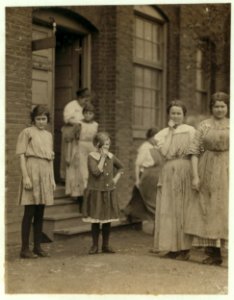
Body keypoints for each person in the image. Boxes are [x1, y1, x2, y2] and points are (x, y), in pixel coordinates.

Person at [185, 92, 229, 265]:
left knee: (225, 208)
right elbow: (194, 151)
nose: (219, 109)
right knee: (208, 208)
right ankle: (213, 253)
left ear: (227, 107)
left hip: (227, 166)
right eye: (216, 106)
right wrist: (195, 176)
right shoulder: (204, 125)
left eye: (222, 106)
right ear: (211, 107)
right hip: (207, 168)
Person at [152, 100, 195, 260]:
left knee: (182, 208)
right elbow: (165, 152)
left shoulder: (191, 131)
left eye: (179, 113)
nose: (176, 116)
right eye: (173, 113)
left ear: (184, 115)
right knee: (169, 208)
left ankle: (185, 248)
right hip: (169, 171)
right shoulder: (163, 133)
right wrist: (170, 131)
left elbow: (196, 152)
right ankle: (172, 247)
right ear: (168, 115)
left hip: (185, 169)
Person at [16, 105, 56, 259]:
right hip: (32, 171)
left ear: (47, 120)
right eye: (38, 119)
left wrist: (52, 179)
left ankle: (38, 246)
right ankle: (25, 249)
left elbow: (50, 158)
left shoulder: (48, 135)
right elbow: (21, 156)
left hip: (45, 172)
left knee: (40, 212)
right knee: (29, 212)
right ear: (33, 119)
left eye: (44, 119)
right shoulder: (27, 132)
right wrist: (25, 177)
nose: (41, 122)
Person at [82, 132, 124, 254]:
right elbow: (96, 172)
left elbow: (121, 167)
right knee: (96, 220)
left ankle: (106, 245)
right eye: (104, 145)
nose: (107, 147)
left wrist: (115, 180)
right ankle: (95, 245)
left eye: (108, 145)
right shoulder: (92, 156)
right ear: (97, 145)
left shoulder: (111, 156)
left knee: (107, 220)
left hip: (108, 191)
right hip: (96, 192)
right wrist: (103, 158)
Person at [124, 127, 163, 221]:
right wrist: (137, 179)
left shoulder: (156, 147)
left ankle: (130, 214)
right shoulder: (145, 147)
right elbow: (138, 164)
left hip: (154, 176)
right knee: (146, 198)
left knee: (138, 197)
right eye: (155, 137)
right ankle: (132, 215)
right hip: (145, 175)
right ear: (149, 137)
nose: (157, 140)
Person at [65, 103, 98, 212]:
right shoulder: (79, 124)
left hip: (92, 148)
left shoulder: (95, 125)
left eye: (90, 113)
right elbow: (69, 137)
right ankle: (81, 202)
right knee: (81, 174)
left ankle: (90, 203)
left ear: (93, 115)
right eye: (86, 113)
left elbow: (96, 139)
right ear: (83, 114)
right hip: (80, 149)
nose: (88, 115)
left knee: (91, 174)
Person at [60, 87, 91, 181]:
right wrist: (79, 123)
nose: (86, 101)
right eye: (84, 99)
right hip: (70, 130)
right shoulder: (71, 106)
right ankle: (64, 178)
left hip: (81, 133)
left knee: (78, 155)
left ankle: (77, 179)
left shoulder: (86, 107)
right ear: (79, 98)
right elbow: (67, 119)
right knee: (68, 154)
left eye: (87, 99)